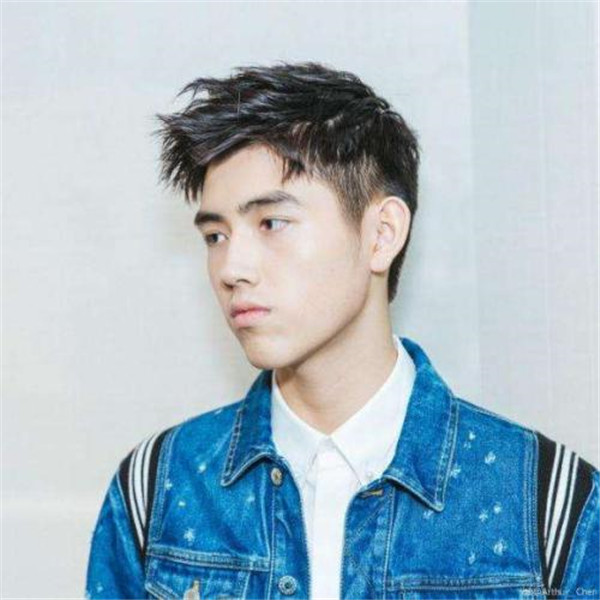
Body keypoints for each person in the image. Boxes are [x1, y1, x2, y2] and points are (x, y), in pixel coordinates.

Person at [84, 62, 599, 600]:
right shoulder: (158, 487)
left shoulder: (550, 508)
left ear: (382, 234)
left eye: (271, 223)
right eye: (216, 235)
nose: (232, 268)